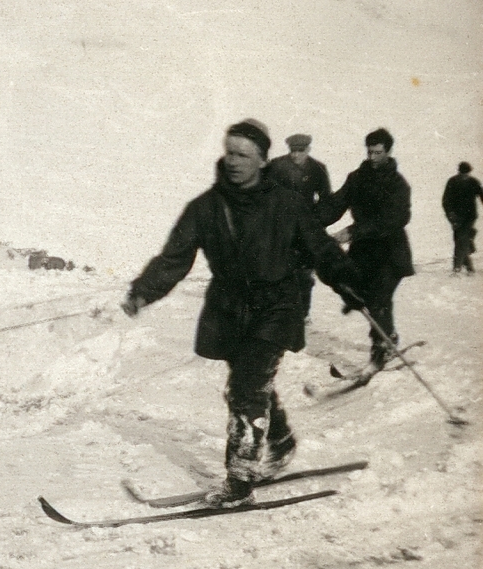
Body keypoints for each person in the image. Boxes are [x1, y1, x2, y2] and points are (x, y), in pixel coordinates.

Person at [121, 119, 361, 508]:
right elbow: (175, 257)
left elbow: (321, 249)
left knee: (248, 388)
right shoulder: (206, 207)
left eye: (243, 155)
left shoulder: (287, 203)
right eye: (229, 152)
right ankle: (280, 441)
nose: (233, 161)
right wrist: (142, 292)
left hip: (278, 305)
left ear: (263, 160)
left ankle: (240, 480)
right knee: (247, 383)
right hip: (230, 309)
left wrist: (351, 283)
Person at [318, 128, 415, 372]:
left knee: (380, 298)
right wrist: (310, 222)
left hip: (390, 252)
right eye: (369, 152)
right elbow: (335, 205)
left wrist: (353, 232)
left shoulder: (398, 184)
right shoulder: (357, 178)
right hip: (363, 253)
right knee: (362, 294)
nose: (372, 158)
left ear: (389, 152)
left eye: (378, 153)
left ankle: (380, 349)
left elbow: (395, 219)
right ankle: (388, 336)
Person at [268, 134, 333, 317]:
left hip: (305, 230)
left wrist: (317, 223)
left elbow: (326, 200)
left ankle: (303, 313)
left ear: (308, 150)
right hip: (281, 228)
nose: (296, 155)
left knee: (305, 274)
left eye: (300, 151)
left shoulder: (318, 168)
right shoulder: (277, 166)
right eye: (292, 151)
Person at [441, 162, 480, 274]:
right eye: (463, 173)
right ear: (459, 172)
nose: (465, 176)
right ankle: (469, 267)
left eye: (466, 173)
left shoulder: (473, 182)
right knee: (459, 240)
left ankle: (457, 267)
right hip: (456, 217)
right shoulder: (452, 182)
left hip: (470, 217)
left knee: (461, 240)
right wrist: (450, 214)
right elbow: (445, 200)